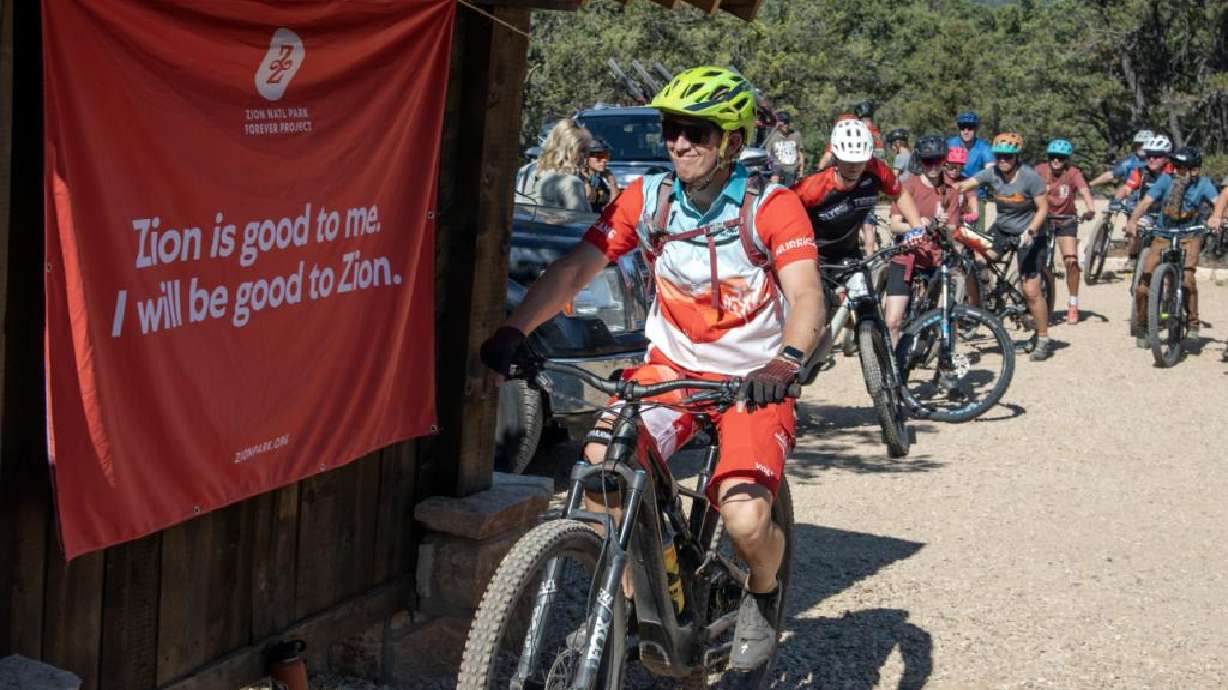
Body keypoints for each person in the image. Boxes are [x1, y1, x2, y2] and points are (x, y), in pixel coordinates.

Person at [480, 66, 823, 680]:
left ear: (730, 140)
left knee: (744, 515)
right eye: (671, 129)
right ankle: (648, 599)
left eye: (696, 131)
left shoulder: (772, 207)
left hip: (752, 382)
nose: (679, 143)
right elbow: (574, 269)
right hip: (670, 372)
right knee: (602, 475)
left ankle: (764, 592)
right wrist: (515, 330)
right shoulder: (648, 200)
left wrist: (786, 360)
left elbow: (806, 298)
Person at [952, 132, 1052, 361]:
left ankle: (1044, 338)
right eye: (999, 155)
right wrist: (948, 187)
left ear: (1016, 157)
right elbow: (967, 184)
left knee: (1031, 290)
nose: (1003, 159)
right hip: (1002, 229)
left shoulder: (1030, 177)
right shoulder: (992, 173)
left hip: (1030, 233)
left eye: (1008, 156)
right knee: (975, 255)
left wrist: (1031, 231)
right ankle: (984, 300)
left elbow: (1043, 209)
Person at [793, 119, 925, 266]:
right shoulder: (813, 187)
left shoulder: (877, 170)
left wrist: (917, 226)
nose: (854, 167)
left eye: (860, 161)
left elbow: (899, 193)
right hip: (814, 254)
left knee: (863, 288)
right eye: (848, 161)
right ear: (836, 157)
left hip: (849, 253)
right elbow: (782, 210)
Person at [1124, 146, 1219, 348]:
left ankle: (1193, 324)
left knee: (1187, 280)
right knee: (1143, 286)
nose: (1178, 171)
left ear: (1195, 169)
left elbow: (1217, 203)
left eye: (1184, 168)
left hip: (1190, 235)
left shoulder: (1203, 184)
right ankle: (1143, 326)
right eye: (1176, 166)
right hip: (1162, 234)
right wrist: (1133, 220)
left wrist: (1216, 217)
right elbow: (1146, 201)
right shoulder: (1166, 180)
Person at [884, 134, 967, 344]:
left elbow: (952, 231)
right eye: (927, 161)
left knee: (938, 318)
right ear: (920, 161)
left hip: (933, 260)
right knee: (892, 321)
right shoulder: (907, 186)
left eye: (937, 160)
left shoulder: (950, 192)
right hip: (905, 258)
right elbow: (894, 224)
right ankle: (892, 370)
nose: (932, 166)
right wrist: (920, 224)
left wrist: (942, 226)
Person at [1036, 139, 1097, 325]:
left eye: (1061, 158)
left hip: (1066, 220)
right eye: (1053, 157)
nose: (1056, 160)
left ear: (1066, 160)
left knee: (1071, 261)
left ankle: (1073, 302)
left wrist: (1090, 208)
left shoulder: (1073, 173)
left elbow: (1084, 190)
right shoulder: (1039, 170)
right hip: (1043, 219)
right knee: (1035, 260)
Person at [1113, 133, 1173, 260]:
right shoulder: (1141, 171)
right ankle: (1133, 257)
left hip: (1169, 216)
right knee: (1135, 231)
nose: (1151, 159)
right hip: (1148, 214)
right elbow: (1127, 188)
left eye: (1157, 156)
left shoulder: (1175, 173)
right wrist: (1116, 199)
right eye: (1149, 155)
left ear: (1167, 157)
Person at [515, 118, 593, 211]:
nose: (587, 155)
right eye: (582, 150)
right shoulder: (571, 183)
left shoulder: (526, 171)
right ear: (566, 150)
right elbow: (580, 222)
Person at [946, 111, 995, 228]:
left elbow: (991, 170)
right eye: (962, 127)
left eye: (970, 127)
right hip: (952, 193)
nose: (966, 131)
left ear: (976, 129)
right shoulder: (949, 143)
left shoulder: (984, 147)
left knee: (978, 234)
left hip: (977, 195)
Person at [1087, 129, 1154, 188]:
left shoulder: (1159, 161)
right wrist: (1089, 184)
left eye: (1145, 144)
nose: (1141, 147)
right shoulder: (1129, 161)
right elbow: (1110, 175)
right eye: (1139, 144)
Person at [763, 110, 805, 186]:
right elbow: (766, 153)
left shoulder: (796, 135)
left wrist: (801, 173)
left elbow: (800, 154)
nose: (786, 125)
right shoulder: (773, 136)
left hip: (791, 171)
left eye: (787, 122)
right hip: (777, 170)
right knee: (775, 177)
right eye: (784, 122)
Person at [583, 138, 620, 213]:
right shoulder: (579, 178)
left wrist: (612, 180)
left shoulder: (597, 179)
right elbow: (589, 197)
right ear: (586, 158)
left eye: (606, 156)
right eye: (599, 157)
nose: (604, 160)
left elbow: (615, 204)